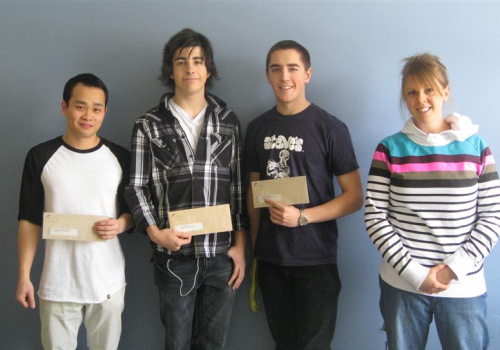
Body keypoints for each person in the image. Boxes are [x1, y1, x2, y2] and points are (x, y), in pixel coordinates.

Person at [365, 53, 500, 350]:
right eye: (412, 92)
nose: (421, 98)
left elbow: (492, 218)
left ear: (445, 92)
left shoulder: (477, 148)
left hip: (463, 286)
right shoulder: (389, 149)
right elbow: (375, 217)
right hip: (402, 285)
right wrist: (415, 274)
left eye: (429, 89)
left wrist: (452, 270)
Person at [125, 28, 245, 350]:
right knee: (176, 343)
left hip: (222, 256)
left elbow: (237, 190)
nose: (190, 69)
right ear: (170, 70)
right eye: (181, 62)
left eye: (197, 61)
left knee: (213, 344)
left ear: (208, 69)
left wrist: (241, 245)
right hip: (174, 256)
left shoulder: (228, 122)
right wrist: (154, 232)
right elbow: (136, 187)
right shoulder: (148, 124)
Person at [245, 40, 363, 350]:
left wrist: (303, 216)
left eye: (292, 68)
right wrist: (255, 249)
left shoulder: (330, 128)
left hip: (315, 260)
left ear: (307, 74)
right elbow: (252, 194)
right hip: (270, 260)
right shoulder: (257, 128)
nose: (285, 77)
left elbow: (354, 196)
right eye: (276, 69)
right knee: (282, 344)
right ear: (268, 76)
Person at [15, 73, 133, 349]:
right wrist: (23, 276)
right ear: (64, 107)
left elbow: (132, 213)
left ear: (105, 111)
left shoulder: (121, 157)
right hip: (58, 284)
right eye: (80, 106)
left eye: (96, 108)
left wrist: (120, 224)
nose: (88, 115)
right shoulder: (40, 156)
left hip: (107, 282)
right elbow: (29, 220)